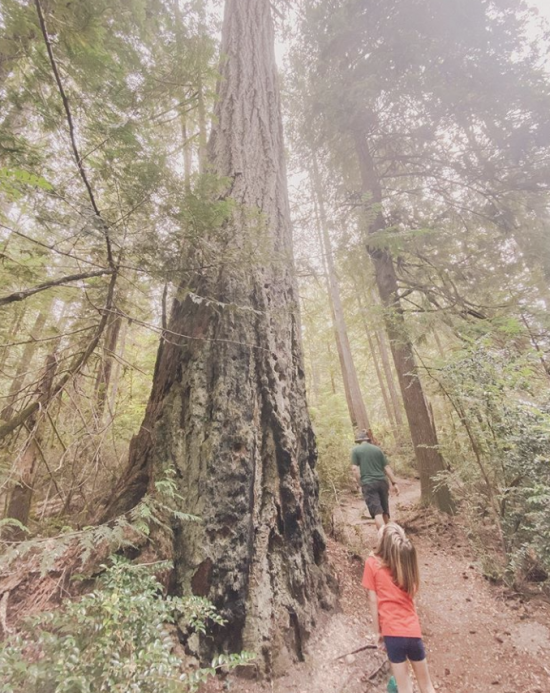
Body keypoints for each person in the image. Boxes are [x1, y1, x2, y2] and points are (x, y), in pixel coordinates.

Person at [362, 523, 436, 693]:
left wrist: (378, 633)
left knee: (404, 688)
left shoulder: (372, 564)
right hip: (413, 632)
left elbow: (373, 601)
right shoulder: (406, 567)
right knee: (426, 685)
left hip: (392, 633)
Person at [351, 430, 399, 530]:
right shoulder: (378, 450)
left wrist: (360, 483)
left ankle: (383, 538)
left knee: (377, 513)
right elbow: (387, 468)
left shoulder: (356, 450)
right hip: (382, 482)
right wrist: (394, 483)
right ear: (368, 440)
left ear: (359, 441)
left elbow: (355, 469)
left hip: (369, 483)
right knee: (385, 512)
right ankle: (390, 537)